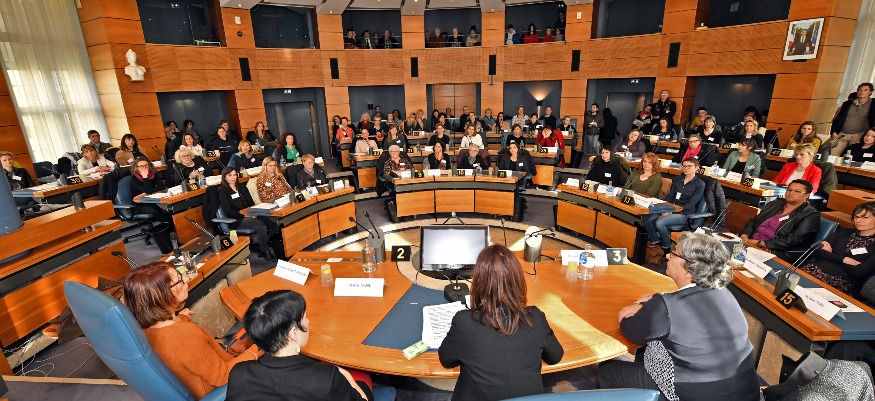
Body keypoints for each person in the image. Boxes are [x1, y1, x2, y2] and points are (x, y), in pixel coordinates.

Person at [599, 232, 760, 401]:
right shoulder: (726, 294)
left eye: (675, 254)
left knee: (607, 371)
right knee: (651, 345)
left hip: (693, 394)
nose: (668, 256)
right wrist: (653, 303)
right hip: (744, 392)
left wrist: (638, 305)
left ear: (689, 270)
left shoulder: (666, 306)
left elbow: (631, 331)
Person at [439, 245, 563, 401]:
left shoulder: (464, 321)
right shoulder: (535, 317)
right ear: (518, 280)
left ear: (478, 281)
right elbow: (555, 356)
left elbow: (446, 360)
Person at [122, 262, 258, 400]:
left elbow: (172, 341)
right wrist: (257, 349)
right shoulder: (186, 338)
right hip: (223, 389)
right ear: (161, 297)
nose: (186, 279)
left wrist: (180, 318)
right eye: (179, 280)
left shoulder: (143, 330)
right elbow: (223, 376)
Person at [226, 290, 369, 401]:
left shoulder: (239, 374)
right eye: (305, 317)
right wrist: (345, 375)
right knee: (363, 378)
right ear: (293, 332)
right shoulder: (327, 378)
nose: (308, 322)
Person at [800, 202, 875, 298]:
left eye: (865, 217)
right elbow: (816, 250)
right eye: (856, 217)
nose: (858, 220)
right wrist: (844, 260)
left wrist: (830, 256)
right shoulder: (844, 232)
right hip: (815, 268)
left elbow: (859, 271)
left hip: (843, 281)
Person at [740, 179, 820, 262]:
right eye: (789, 190)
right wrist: (745, 234)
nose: (791, 193)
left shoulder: (811, 214)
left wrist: (761, 243)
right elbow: (753, 221)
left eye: (797, 191)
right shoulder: (774, 204)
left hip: (776, 251)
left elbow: (794, 239)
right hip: (751, 242)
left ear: (806, 195)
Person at [644, 158, 705, 255]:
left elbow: (691, 204)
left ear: (697, 168)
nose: (686, 168)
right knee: (648, 219)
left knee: (660, 223)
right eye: (684, 166)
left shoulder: (700, 184)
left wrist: (671, 212)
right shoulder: (678, 180)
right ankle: (656, 243)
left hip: (684, 213)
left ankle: (666, 247)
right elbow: (670, 196)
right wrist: (663, 208)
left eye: (689, 166)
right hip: (670, 208)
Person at [218, 167, 277, 261]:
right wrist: (245, 215)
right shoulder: (223, 190)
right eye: (230, 175)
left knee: (272, 222)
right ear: (225, 177)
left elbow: (250, 202)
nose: (233, 177)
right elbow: (229, 211)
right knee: (261, 226)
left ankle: (272, 244)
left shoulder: (241, 186)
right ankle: (265, 251)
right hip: (237, 218)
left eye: (234, 175)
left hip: (250, 213)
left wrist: (254, 212)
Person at [827, 83, 875, 156]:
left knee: (852, 158)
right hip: (842, 135)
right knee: (832, 156)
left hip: (859, 136)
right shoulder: (847, 104)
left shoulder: (873, 104)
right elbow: (838, 120)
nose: (862, 92)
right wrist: (834, 132)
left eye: (865, 90)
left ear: (870, 92)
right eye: (860, 90)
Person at [129, 157, 171, 223]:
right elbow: (148, 190)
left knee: (169, 207)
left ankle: (173, 223)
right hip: (140, 204)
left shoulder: (153, 174)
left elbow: (162, 187)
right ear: (136, 168)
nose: (144, 168)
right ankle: (168, 224)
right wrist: (145, 177)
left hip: (153, 200)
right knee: (155, 210)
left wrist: (151, 191)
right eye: (141, 166)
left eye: (146, 165)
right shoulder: (133, 179)